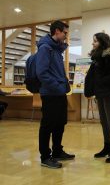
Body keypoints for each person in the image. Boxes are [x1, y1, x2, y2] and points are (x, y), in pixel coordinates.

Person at [36, 20, 75, 169]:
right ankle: (45, 157)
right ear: (57, 31)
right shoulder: (46, 48)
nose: (66, 36)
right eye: (65, 33)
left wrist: (64, 84)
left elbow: (56, 71)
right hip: (50, 94)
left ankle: (57, 151)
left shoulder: (57, 50)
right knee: (47, 125)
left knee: (60, 123)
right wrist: (58, 86)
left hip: (59, 93)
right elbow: (42, 73)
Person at [85, 33, 110, 163]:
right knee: (103, 121)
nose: (92, 43)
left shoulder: (109, 56)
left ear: (102, 42)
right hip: (100, 93)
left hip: (109, 93)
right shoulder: (97, 57)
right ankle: (107, 147)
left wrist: (102, 81)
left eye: (95, 41)